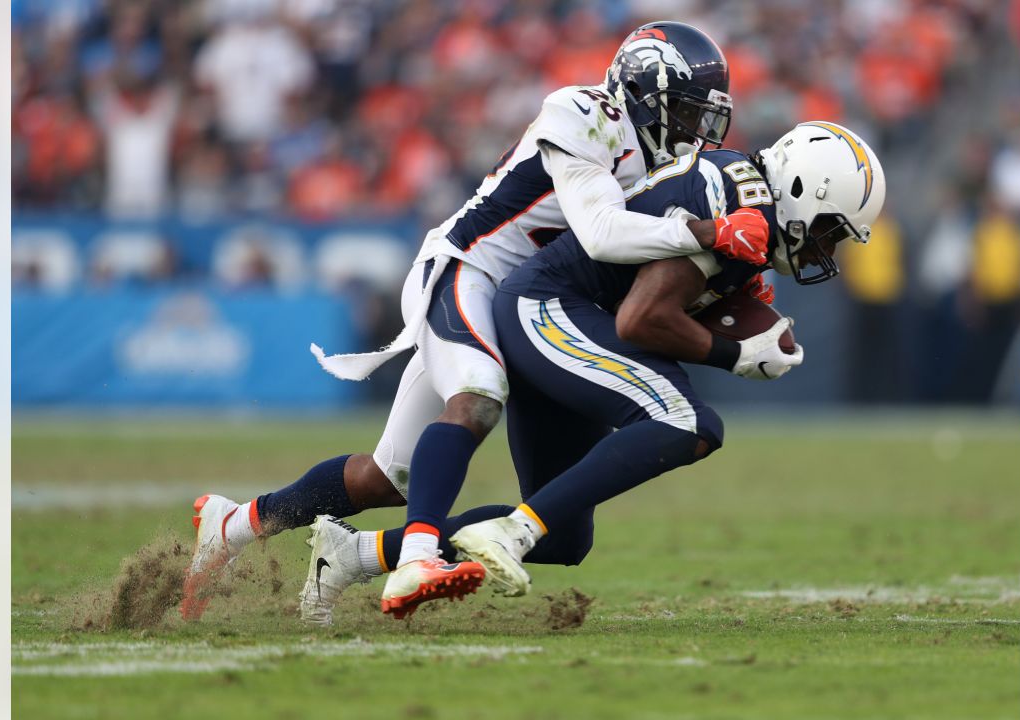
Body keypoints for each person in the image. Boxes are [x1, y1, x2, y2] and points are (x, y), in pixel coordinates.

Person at [183, 21, 765, 622]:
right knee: (478, 395)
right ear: (644, 91)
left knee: (388, 479)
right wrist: (705, 230)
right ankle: (415, 559)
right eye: (690, 112)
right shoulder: (584, 112)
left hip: (527, 298)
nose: (699, 129)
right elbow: (601, 231)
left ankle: (237, 524)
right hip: (470, 269)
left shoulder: (658, 163)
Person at [302, 121, 888, 616]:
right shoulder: (741, 203)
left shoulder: (741, 192)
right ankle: (509, 531)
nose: (824, 251)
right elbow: (639, 320)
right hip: (548, 310)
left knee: (565, 537)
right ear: (805, 190)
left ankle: (355, 554)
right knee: (690, 421)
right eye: (829, 230)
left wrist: (723, 308)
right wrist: (732, 353)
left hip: (560, 315)